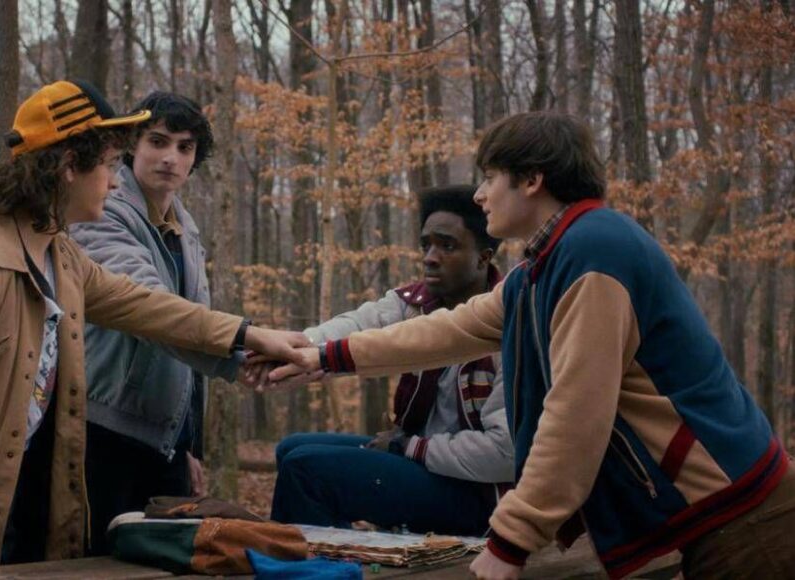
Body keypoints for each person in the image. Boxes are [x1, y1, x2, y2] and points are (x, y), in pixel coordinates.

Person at [266, 112, 795, 579]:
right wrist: (324, 355)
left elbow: (575, 413)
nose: (480, 195)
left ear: (532, 179)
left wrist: (513, 537)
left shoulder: (595, 253)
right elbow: (447, 330)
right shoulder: (540, 272)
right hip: (715, 518)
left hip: (746, 516)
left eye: (490, 177)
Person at [0, 79, 306, 580]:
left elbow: (147, 307)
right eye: (107, 166)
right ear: (68, 167)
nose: (115, 183)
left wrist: (251, 336)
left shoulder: (59, 256)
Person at [269, 185, 512, 536]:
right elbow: (355, 326)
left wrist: (407, 446)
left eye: (447, 246)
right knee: (291, 448)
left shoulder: (508, 326)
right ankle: (338, 554)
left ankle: (314, 562)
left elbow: (505, 454)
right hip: (423, 462)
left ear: (483, 258)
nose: (430, 257)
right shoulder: (414, 304)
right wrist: (287, 349)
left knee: (306, 469)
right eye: (425, 245)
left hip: (480, 494)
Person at [69, 92, 237, 554]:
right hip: (104, 430)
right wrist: (246, 347)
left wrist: (188, 444)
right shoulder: (101, 211)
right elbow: (154, 310)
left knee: (163, 563)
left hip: (163, 440)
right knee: (98, 562)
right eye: (158, 142)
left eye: (185, 147)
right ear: (132, 146)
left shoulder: (185, 227)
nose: (170, 158)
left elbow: (189, 346)